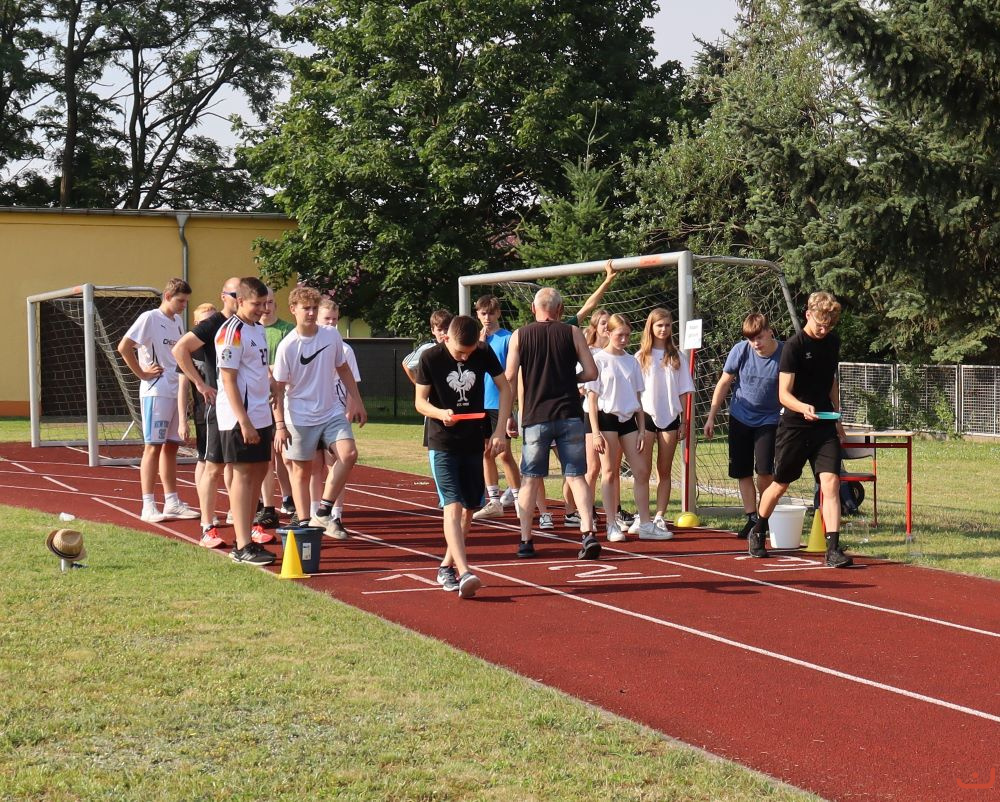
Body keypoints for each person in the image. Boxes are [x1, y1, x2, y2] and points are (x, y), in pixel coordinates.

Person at [747, 291, 853, 568]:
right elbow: (783, 394)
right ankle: (758, 530)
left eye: (829, 325)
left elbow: (831, 382)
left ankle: (833, 548)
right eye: (820, 324)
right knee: (780, 484)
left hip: (824, 425)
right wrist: (803, 407)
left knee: (831, 482)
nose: (824, 330)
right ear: (808, 315)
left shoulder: (832, 343)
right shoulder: (793, 347)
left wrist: (838, 417)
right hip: (795, 425)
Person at [415, 315, 513, 598]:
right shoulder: (430, 357)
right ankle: (465, 571)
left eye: (469, 353)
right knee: (453, 506)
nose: (465, 357)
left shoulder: (482, 351)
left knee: (470, 507)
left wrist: (499, 430)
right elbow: (420, 401)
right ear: (446, 338)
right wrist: (439, 413)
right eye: (460, 352)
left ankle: (446, 566)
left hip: (473, 440)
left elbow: (505, 388)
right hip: (443, 442)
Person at [504, 287, 600, 560]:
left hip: (536, 416)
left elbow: (509, 376)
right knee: (576, 476)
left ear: (533, 309)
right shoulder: (572, 332)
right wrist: (571, 379)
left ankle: (525, 540)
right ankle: (588, 532)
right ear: (560, 310)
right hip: (569, 413)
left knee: (530, 479)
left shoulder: (520, 335)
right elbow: (591, 372)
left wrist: (509, 414)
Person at [272, 287, 367, 541]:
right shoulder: (287, 346)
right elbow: (278, 389)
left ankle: (324, 511)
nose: (312, 313)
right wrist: (280, 425)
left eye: (315, 308)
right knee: (301, 472)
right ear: (293, 310)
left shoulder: (330, 336)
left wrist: (357, 402)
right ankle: (305, 522)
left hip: (330, 410)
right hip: (299, 416)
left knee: (349, 454)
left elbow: (343, 369)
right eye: (306, 308)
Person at [117, 277, 199, 523]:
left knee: (172, 446)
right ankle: (148, 504)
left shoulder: (178, 323)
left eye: (186, 301)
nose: (184, 305)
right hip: (157, 390)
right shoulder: (149, 318)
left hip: (176, 391)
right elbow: (124, 347)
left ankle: (172, 501)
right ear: (167, 296)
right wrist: (142, 373)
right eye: (180, 301)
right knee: (153, 446)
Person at [172, 277, 240, 547]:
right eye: (236, 294)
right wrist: (200, 386)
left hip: (242, 408)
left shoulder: (248, 327)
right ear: (224, 296)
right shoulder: (212, 326)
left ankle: (243, 522)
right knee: (211, 466)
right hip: (215, 408)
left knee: (239, 467)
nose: (242, 299)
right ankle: (207, 525)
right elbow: (179, 351)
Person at [215, 277, 278, 565]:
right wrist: (244, 421)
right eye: (256, 304)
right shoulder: (231, 332)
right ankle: (242, 545)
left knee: (260, 470)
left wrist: (271, 382)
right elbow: (228, 379)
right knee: (242, 475)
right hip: (240, 417)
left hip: (261, 413)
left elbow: (257, 367)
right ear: (240, 301)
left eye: (265, 303)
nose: (263, 309)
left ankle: (248, 536)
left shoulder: (258, 328)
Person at [703, 313, 783, 539]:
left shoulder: (784, 353)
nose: (755, 343)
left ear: (770, 332)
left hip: (769, 418)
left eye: (759, 337)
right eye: (750, 339)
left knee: (765, 470)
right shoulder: (740, 350)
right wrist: (711, 416)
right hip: (740, 416)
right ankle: (752, 518)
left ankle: (765, 516)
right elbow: (724, 382)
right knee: (742, 470)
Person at [586, 314, 660, 541]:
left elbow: (637, 398)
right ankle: (611, 524)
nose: (624, 340)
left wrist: (641, 429)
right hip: (606, 419)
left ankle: (645, 523)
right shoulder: (598, 360)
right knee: (609, 471)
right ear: (608, 333)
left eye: (628, 335)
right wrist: (595, 433)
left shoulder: (632, 361)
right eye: (620, 335)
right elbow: (592, 399)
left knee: (641, 470)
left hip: (628, 421)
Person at [636, 307, 695, 534]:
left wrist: (684, 422)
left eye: (667, 325)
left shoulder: (677, 357)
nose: (663, 329)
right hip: (646, 418)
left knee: (665, 470)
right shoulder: (640, 357)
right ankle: (643, 516)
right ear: (651, 327)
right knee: (643, 471)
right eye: (659, 325)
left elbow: (684, 392)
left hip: (670, 418)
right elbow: (635, 392)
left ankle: (660, 516)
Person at [307, 297, 363, 534]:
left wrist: (349, 411)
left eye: (334, 319)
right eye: (326, 319)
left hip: (335, 413)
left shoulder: (345, 349)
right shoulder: (307, 344)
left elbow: (352, 382)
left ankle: (335, 515)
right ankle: (313, 513)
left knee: (337, 463)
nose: (331, 323)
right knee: (313, 467)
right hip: (310, 414)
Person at [471, 294, 520, 520]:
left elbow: (512, 376)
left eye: (491, 313)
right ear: (477, 315)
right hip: (478, 404)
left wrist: (510, 410)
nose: (487, 318)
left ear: (498, 313)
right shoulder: (474, 340)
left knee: (504, 453)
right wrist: (478, 343)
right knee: (486, 452)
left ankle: (519, 499)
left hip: (499, 403)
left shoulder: (507, 338)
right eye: (483, 313)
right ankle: (494, 500)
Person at [253, 287, 296, 535]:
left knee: (284, 453)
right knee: (265, 455)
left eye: (270, 302)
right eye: (262, 303)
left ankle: (287, 496)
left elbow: (286, 365)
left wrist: (269, 368)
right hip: (258, 399)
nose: (266, 307)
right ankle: (262, 500)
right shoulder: (250, 330)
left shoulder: (286, 330)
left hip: (282, 397)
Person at [563, 307, 610, 527]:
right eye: (603, 323)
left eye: (609, 323)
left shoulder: (616, 351)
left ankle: (612, 509)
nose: (607, 327)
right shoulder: (587, 351)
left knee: (607, 467)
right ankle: (582, 510)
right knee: (590, 467)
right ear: (595, 327)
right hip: (587, 411)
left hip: (610, 412)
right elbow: (580, 383)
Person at [176, 302, 219, 542]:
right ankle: (206, 513)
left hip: (225, 413)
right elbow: (182, 388)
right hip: (204, 414)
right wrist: (183, 420)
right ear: (196, 324)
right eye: (204, 322)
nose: (208, 326)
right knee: (204, 461)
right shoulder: (190, 350)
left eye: (212, 320)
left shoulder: (223, 344)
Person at [402, 309, 454, 507]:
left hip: (455, 405)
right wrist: (419, 385)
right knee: (436, 447)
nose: (443, 333)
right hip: (434, 407)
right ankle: (443, 495)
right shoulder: (427, 349)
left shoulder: (457, 347)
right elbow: (406, 364)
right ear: (433, 330)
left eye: (447, 328)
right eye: (439, 329)